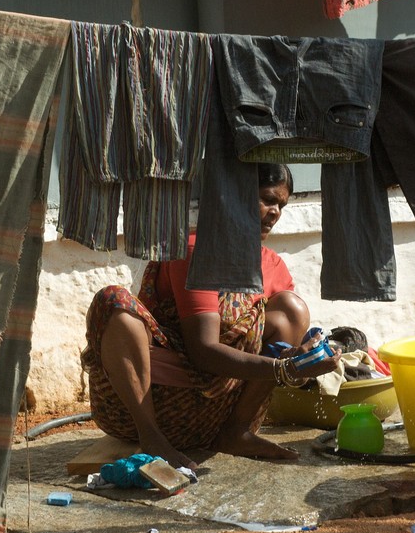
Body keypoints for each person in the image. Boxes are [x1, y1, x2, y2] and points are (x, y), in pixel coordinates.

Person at [82, 163, 341, 470]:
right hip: (161, 402)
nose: (275, 212)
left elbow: (274, 342)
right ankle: (152, 438)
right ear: (235, 198)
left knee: (291, 309)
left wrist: (301, 356)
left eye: (281, 205)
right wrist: (285, 368)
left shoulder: (272, 266)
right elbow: (202, 351)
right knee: (114, 302)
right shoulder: (195, 249)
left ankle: (237, 431)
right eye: (268, 199)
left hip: (217, 412)